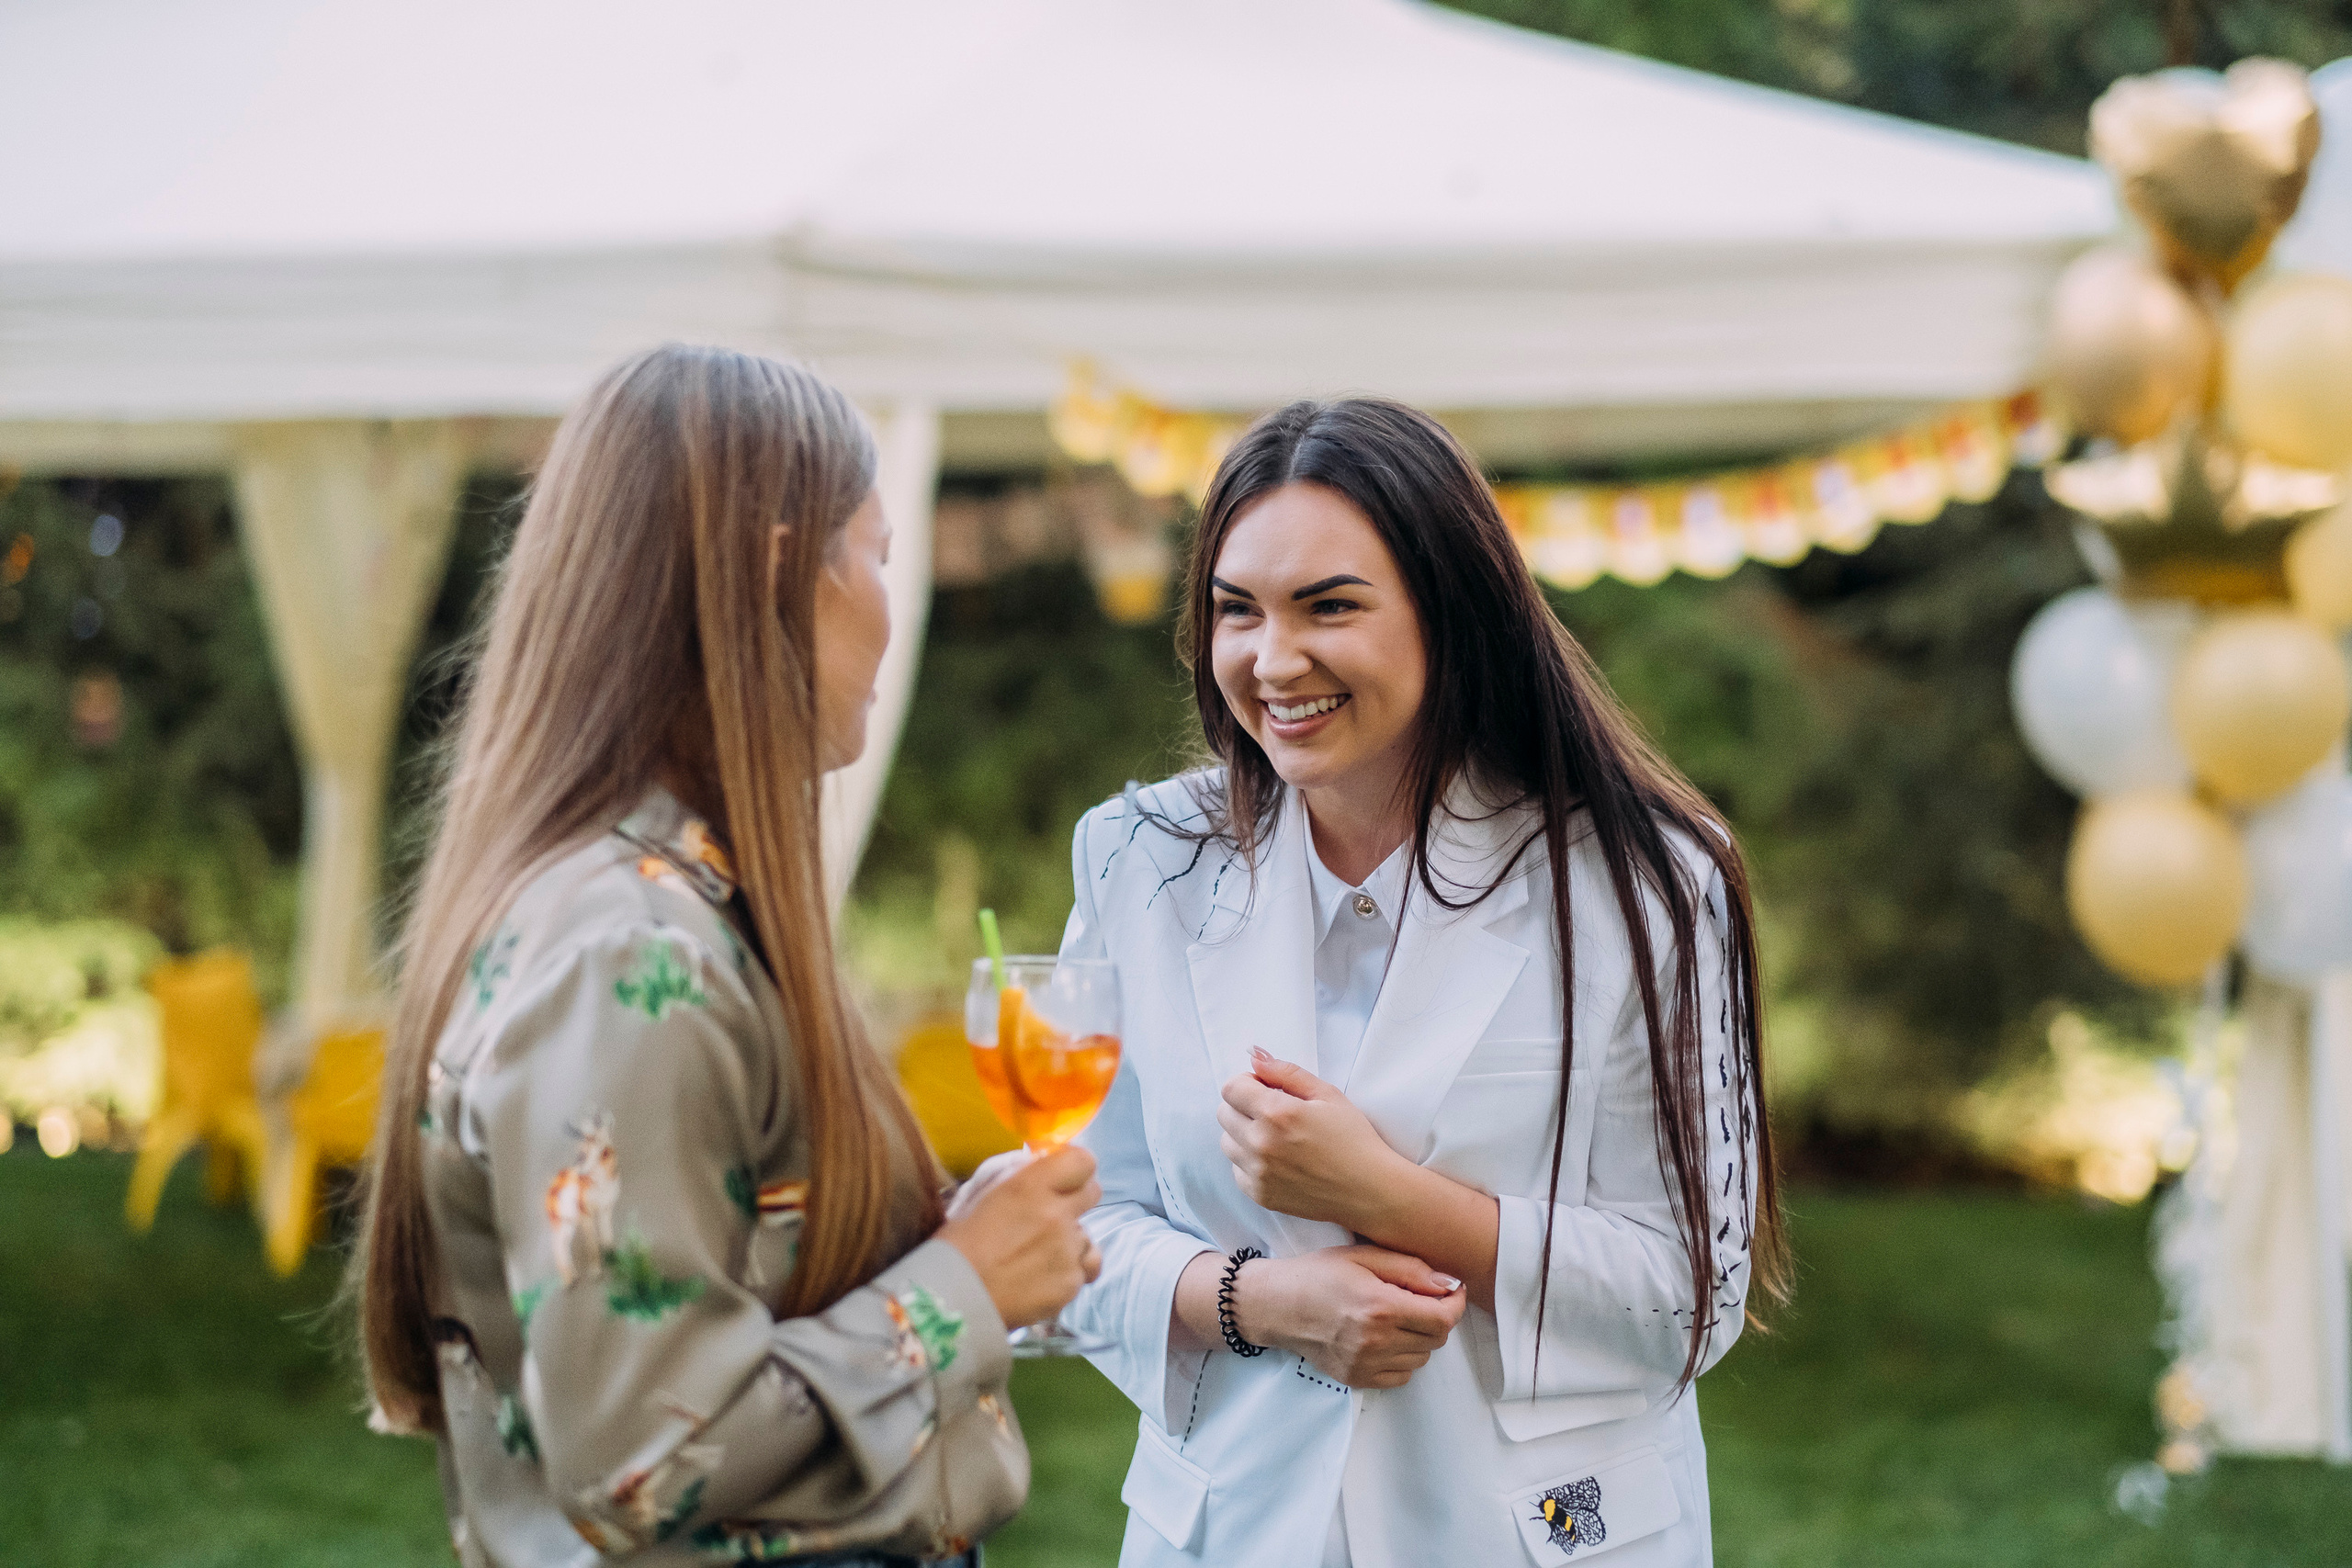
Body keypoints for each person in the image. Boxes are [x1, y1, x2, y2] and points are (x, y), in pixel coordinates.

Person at [351, 344, 1101, 1567]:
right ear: (772, 572)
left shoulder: (656, 903)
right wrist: (962, 1285)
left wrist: (909, 1247)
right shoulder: (633, 954)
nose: (886, 602)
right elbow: (648, 1455)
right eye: (876, 552)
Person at [1059, 398, 1787, 1567]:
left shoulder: (1648, 879)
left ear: (1453, 614)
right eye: (1235, 609)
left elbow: (1688, 1298)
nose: (1271, 658)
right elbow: (1070, 1224)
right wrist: (1257, 1300)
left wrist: (1392, 1197)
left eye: (1329, 606)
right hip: (1231, 1536)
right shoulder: (1140, 859)